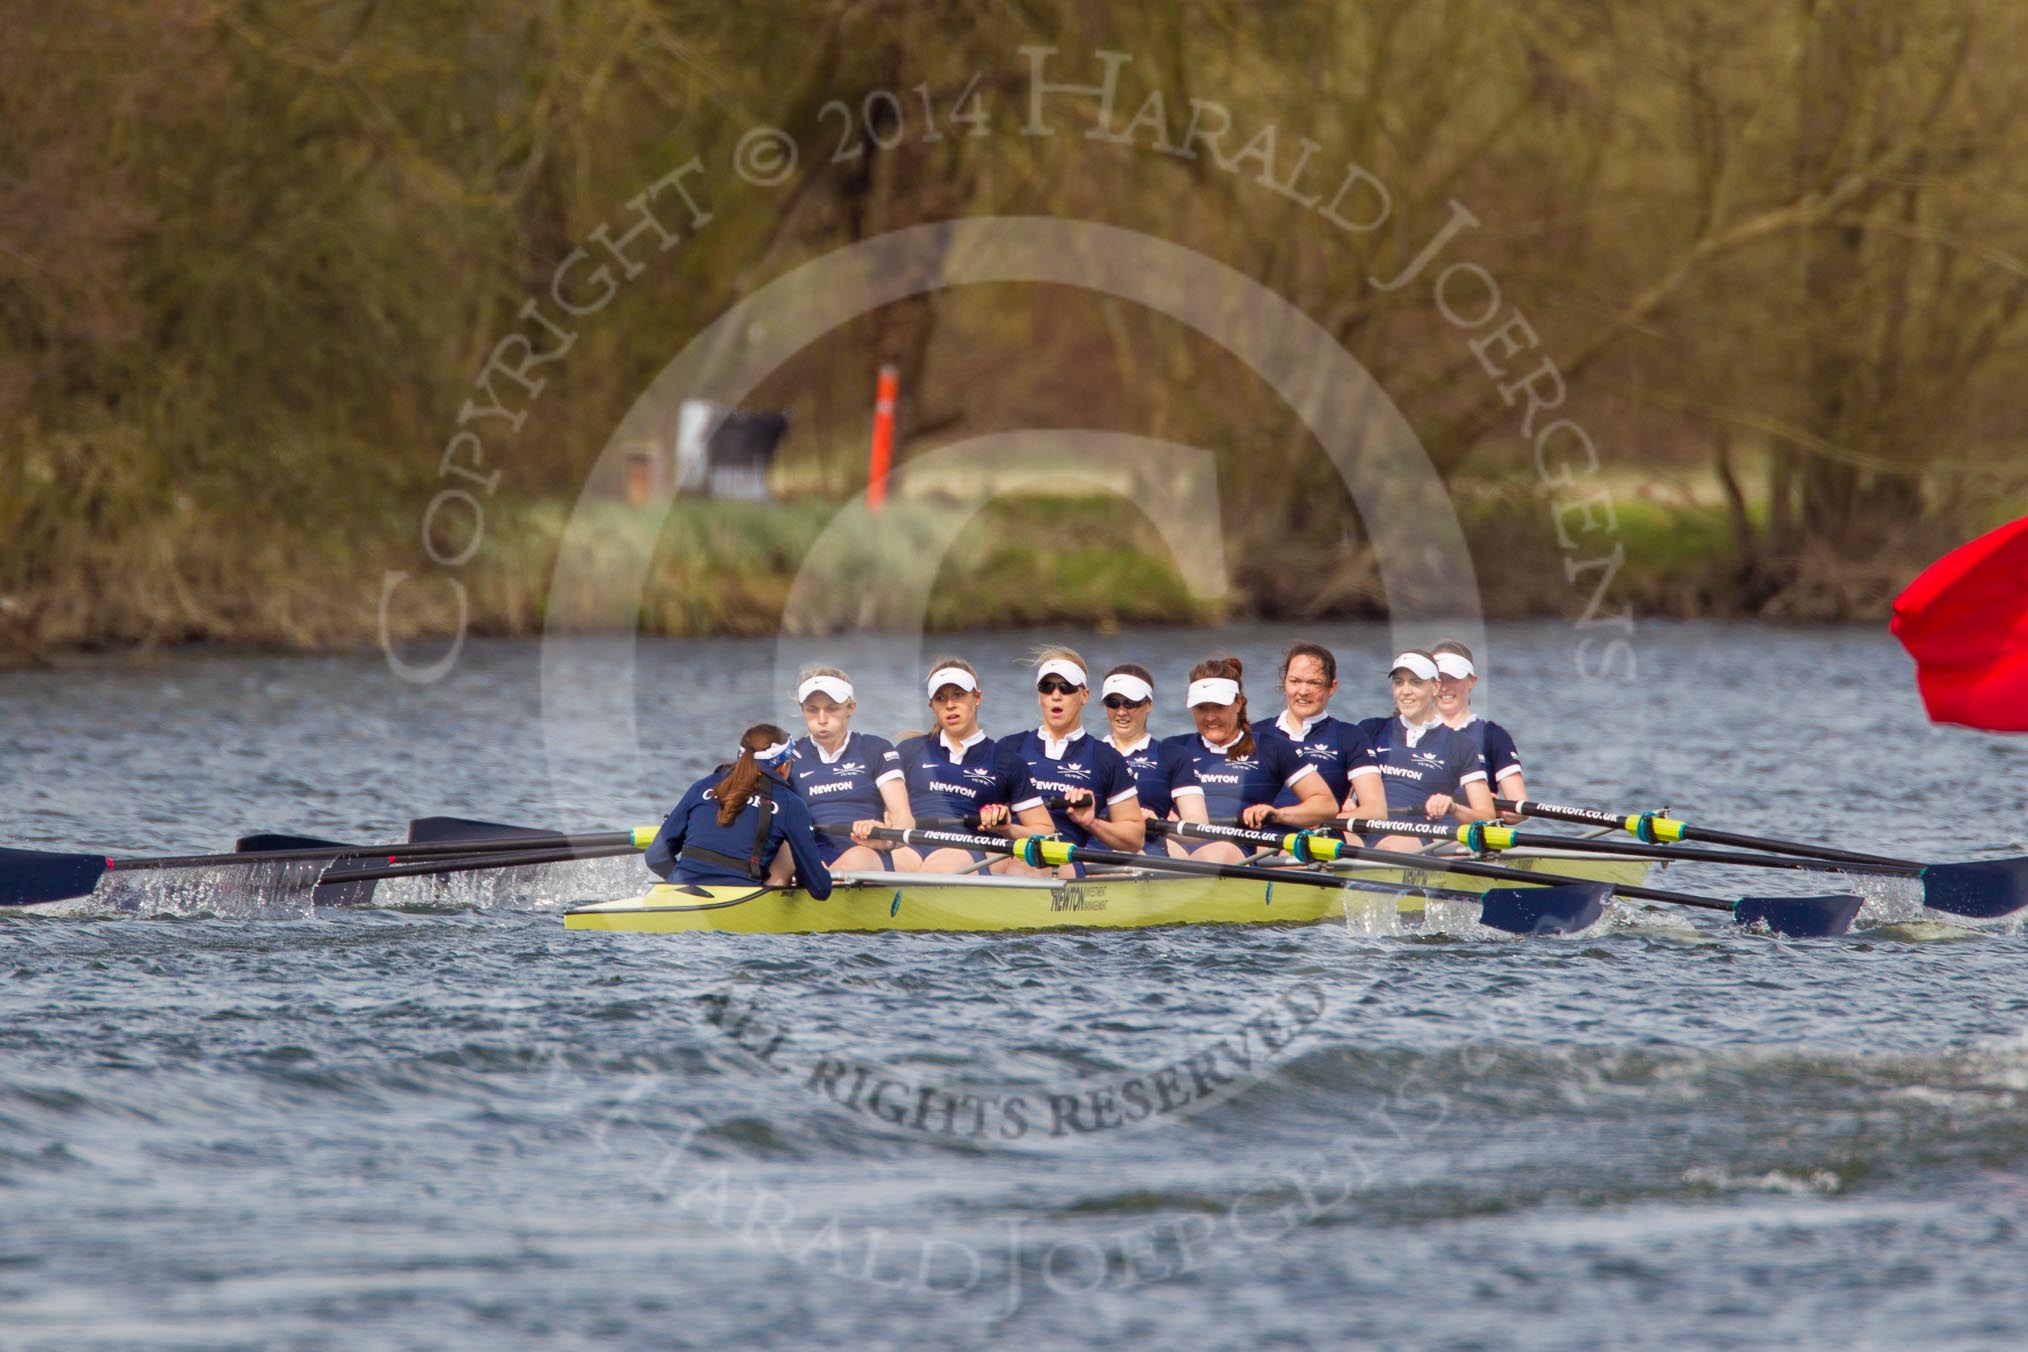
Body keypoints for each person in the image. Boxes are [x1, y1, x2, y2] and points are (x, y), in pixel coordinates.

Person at [1160, 655, 1339, 864]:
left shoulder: (1272, 748)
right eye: (1201, 708)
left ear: (1239, 703)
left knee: (1216, 853)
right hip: (1177, 842)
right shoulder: (1172, 748)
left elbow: (1326, 805)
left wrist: (1278, 814)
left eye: (1218, 707)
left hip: (1237, 850)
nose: (1209, 717)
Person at [893, 657, 1056, 873]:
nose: (950, 705)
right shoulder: (909, 751)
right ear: (931, 706)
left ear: (977, 697)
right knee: (880, 868)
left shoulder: (1006, 762)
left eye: (958, 695)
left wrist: (1007, 828)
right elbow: (884, 808)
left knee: (938, 868)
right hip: (912, 845)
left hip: (970, 849)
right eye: (941, 699)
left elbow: (1046, 833)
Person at [644, 724, 832, 896]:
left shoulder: (703, 786)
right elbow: (820, 889)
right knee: (788, 848)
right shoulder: (790, 803)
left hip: (680, 891)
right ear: (783, 766)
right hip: (740, 899)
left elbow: (655, 856)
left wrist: (681, 880)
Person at [997, 647, 1145, 855]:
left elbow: (1134, 839)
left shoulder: (1106, 757)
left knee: (1024, 869)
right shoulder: (1009, 748)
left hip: (1062, 859)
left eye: (1066, 687)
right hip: (1005, 852)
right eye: (1047, 687)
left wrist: (1090, 822)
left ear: (1084, 695)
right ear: (1040, 697)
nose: (1056, 695)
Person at [1354, 650, 1495, 851]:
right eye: (1399, 682)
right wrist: (1344, 804)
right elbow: (1340, 793)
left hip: (1415, 839)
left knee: (1390, 846)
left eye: (1416, 682)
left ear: (1436, 686)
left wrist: (1454, 807)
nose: (1405, 691)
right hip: (1361, 831)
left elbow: (1486, 817)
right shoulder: (1369, 730)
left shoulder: (1460, 745)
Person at [789, 666, 917, 872]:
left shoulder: (876, 749)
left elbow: (904, 819)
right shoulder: (790, 756)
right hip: (811, 854)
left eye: (832, 708)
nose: (821, 719)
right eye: (812, 710)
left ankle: (819, 884)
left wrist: (887, 841)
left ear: (851, 708)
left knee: (853, 858)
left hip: (865, 852)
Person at [1251, 640, 1388, 824]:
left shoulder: (1350, 736)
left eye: (1314, 683)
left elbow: (1376, 811)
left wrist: (1327, 824)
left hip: (1321, 840)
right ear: (1285, 682)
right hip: (1263, 840)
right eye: (1295, 681)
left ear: (1332, 687)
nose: (1303, 691)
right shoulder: (1254, 735)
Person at [1098, 662, 1208, 857]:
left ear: (1149, 704)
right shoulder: (1089, 754)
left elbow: (1199, 827)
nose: (1121, 711)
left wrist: (1159, 823)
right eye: (1113, 703)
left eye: (1130, 703)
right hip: (1093, 848)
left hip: (1148, 849)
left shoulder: (1172, 755)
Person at [1431, 640, 1528, 824]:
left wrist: (1494, 808)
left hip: (1471, 836)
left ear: (1472, 681)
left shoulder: (1493, 736)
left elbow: (1519, 808)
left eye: (1453, 678)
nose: (1444, 687)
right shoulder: (1410, 733)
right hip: (1421, 830)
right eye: (1438, 679)